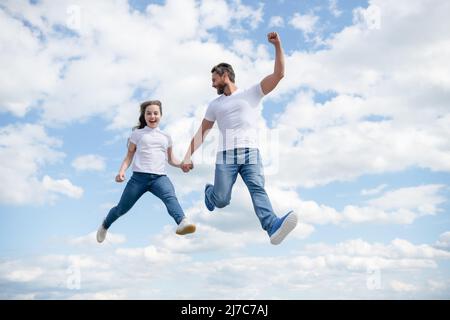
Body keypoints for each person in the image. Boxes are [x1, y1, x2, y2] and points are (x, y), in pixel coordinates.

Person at [180, 32, 297, 245]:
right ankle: (210, 193)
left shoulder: (252, 92)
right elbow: (202, 132)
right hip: (226, 156)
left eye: (214, 79)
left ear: (225, 75)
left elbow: (279, 74)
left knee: (257, 188)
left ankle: (272, 226)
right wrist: (187, 156)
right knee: (222, 200)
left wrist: (278, 45)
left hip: (251, 152)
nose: (212, 84)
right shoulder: (214, 105)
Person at [96, 100, 195, 243]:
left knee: (170, 197)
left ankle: (182, 222)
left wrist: (181, 165)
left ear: (161, 115)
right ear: (144, 116)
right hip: (138, 179)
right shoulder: (137, 134)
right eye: (149, 113)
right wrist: (121, 171)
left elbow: (171, 159)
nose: (152, 116)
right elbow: (129, 156)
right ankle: (105, 225)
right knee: (121, 209)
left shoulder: (166, 137)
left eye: (156, 113)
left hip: (159, 178)